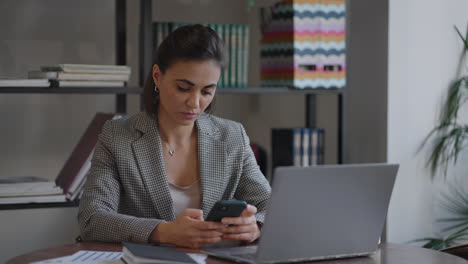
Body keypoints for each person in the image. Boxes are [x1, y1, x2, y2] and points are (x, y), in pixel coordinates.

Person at [78, 24, 271, 249]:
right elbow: (92, 218)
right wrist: (163, 232)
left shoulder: (232, 135)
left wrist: (255, 226)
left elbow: (269, 205)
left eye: (207, 91)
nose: (195, 103)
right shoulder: (117, 136)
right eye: (183, 88)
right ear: (158, 77)